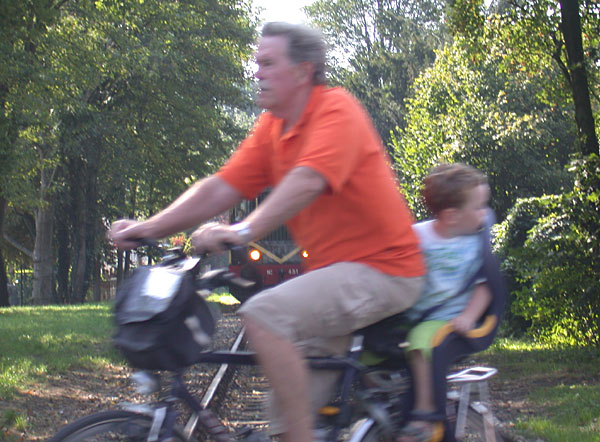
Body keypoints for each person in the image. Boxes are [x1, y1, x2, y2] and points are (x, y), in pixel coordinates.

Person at [109, 22, 425, 442]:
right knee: (289, 415)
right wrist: (149, 226)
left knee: (263, 315)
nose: (256, 71)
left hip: (385, 270)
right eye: (257, 62)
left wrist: (244, 230)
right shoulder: (272, 128)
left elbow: (308, 180)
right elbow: (221, 187)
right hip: (335, 275)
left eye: (267, 63)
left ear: (303, 71)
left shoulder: (336, 109)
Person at [398, 163, 493, 442]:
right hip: (414, 313)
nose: (484, 214)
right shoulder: (418, 237)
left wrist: (469, 315)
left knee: (420, 339)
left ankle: (425, 414)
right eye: (478, 207)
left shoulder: (474, 246)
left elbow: (485, 287)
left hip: (449, 319)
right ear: (451, 216)